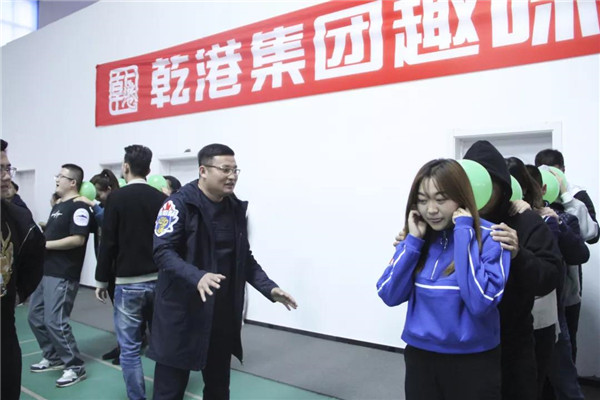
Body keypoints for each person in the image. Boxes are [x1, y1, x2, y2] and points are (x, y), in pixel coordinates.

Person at [148, 143, 297, 400]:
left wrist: (269, 288)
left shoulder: (234, 208)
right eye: (225, 169)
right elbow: (163, 252)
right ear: (203, 171)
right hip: (182, 315)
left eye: (235, 170)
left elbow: (244, 259)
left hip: (220, 316)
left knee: (218, 389)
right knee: (169, 391)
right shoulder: (178, 204)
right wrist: (197, 276)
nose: (232, 176)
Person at [378, 158, 510, 400]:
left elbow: (481, 302)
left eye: (441, 199)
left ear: (461, 197)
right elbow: (389, 294)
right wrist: (413, 242)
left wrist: (464, 232)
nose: (431, 210)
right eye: (422, 200)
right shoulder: (416, 237)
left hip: (473, 361)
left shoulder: (492, 237)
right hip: (420, 357)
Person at [464, 141, 562, 400]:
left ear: (502, 185)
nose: (478, 191)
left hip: (513, 344)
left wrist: (519, 254)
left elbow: (550, 276)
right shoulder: (457, 222)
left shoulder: (524, 221)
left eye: (487, 184)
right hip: (465, 344)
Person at [95, 145, 166, 400]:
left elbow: (108, 242)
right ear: (148, 169)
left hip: (128, 283)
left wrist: (101, 279)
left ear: (125, 167)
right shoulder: (161, 199)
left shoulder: (116, 198)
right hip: (160, 281)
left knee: (130, 349)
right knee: (163, 345)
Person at [524, 164, 588, 400]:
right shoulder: (505, 220)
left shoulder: (559, 217)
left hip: (553, 312)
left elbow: (579, 254)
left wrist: (556, 223)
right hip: (515, 314)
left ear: (542, 189)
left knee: (564, 381)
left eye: (529, 189)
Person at [27, 163, 92, 388]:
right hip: (45, 270)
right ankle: (53, 356)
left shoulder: (79, 207)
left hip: (63, 273)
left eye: (61, 176)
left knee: (55, 321)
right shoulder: (58, 206)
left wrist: (45, 244)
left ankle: (75, 366)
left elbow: (78, 239)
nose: (56, 179)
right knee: (35, 317)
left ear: (73, 182)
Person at [534, 149, 599, 363]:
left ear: (563, 170)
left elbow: (592, 235)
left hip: (569, 283)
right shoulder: (535, 193)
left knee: (567, 339)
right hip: (540, 283)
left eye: (556, 173)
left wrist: (566, 197)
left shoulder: (577, 195)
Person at [0, 139, 45, 400]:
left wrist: (15, 294)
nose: (7, 177)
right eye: (0, 170)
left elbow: (35, 255)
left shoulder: (17, 218)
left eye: (8, 168)